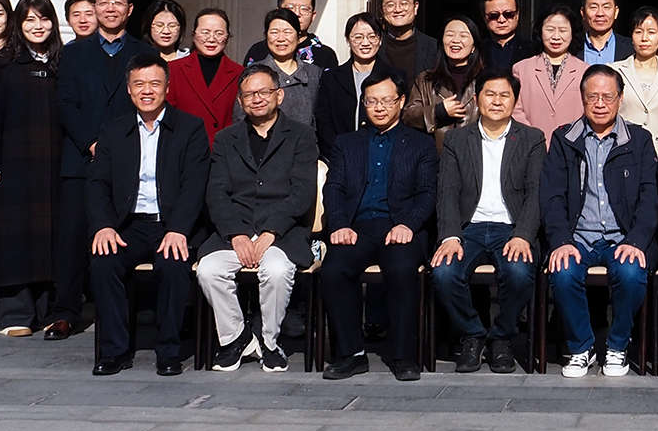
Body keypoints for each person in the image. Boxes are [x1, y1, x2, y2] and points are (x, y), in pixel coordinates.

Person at [87, 55, 210, 376]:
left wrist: (179, 229)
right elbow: (97, 184)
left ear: (167, 87)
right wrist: (103, 226)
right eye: (139, 84)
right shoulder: (113, 131)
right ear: (129, 89)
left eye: (155, 84)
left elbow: (195, 185)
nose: (147, 91)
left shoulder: (190, 128)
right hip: (128, 225)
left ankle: (168, 351)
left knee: (173, 266)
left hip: (171, 225)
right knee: (104, 264)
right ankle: (115, 351)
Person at [198, 65, 318, 373]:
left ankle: (269, 342)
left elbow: (302, 192)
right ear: (240, 101)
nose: (257, 99)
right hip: (235, 232)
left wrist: (271, 231)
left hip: (283, 233)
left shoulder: (302, 136)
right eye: (249, 94)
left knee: (276, 270)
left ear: (279, 95)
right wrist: (236, 234)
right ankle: (236, 338)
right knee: (209, 270)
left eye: (264, 92)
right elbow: (216, 193)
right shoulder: (226, 139)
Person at [320, 71, 437, 381]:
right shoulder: (346, 143)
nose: (379, 107)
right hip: (357, 227)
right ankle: (351, 354)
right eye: (372, 101)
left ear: (401, 101)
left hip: (400, 226)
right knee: (333, 270)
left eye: (386, 100)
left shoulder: (421, 143)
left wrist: (408, 224)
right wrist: (339, 224)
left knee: (401, 269)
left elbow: (428, 192)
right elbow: (334, 188)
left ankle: (403, 355)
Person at [543, 66, 658, 378]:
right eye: (592, 96)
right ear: (582, 98)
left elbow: (650, 197)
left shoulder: (639, 140)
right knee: (563, 273)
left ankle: (618, 345)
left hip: (623, 236)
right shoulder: (564, 138)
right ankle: (582, 346)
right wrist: (561, 240)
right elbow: (552, 197)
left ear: (620, 98)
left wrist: (636, 241)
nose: (600, 103)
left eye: (608, 96)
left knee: (631, 273)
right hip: (577, 237)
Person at [55, 0, 154, 340]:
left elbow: (149, 102)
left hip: (131, 160)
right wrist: (92, 142)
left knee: (122, 239)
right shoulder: (73, 53)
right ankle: (65, 312)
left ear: (130, 9)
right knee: (72, 239)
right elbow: (66, 103)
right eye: (103, 2)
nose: (110, 8)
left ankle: (124, 311)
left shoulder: (145, 53)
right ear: (94, 8)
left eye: (118, 2)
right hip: (81, 159)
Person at [432, 69, 545, 374]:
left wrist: (523, 234)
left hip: (511, 229)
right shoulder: (457, 139)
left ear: (515, 101)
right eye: (490, 94)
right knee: (443, 273)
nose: (497, 101)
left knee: (519, 273)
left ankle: (501, 338)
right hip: (468, 228)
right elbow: (447, 192)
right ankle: (473, 334)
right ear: (476, 98)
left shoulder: (532, 139)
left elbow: (536, 193)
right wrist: (450, 236)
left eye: (504, 95)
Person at [0, 0, 67, 336]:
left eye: (44, 19)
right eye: (29, 20)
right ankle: (14, 313)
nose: (38, 26)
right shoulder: (5, 62)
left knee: (50, 238)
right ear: (19, 24)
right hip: (13, 165)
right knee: (14, 239)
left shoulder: (63, 60)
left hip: (55, 165)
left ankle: (46, 310)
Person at [316, 13, 400, 159]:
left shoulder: (395, 76)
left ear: (380, 39)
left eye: (372, 37)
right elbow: (324, 123)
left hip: (384, 156)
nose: (365, 42)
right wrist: (339, 154)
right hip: (340, 157)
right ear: (348, 40)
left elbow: (400, 119)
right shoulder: (331, 78)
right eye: (358, 37)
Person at [512, 5, 589, 138]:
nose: (556, 36)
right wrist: (532, 138)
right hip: (531, 142)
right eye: (550, 30)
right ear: (540, 31)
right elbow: (515, 109)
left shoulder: (585, 71)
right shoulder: (521, 69)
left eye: (563, 30)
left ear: (572, 33)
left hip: (572, 144)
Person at [168, 9, 242, 145]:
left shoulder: (239, 73)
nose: (211, 39)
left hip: (224, 149)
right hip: (185, 147)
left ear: (227, 37)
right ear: (194, 34)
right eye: (205, 32)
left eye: (219, 33)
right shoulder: (173, 69)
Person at [613, 7, 658, 149]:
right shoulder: (615, 71)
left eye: (651, 32)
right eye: (638, 32)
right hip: (623, 148)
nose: (644, 38)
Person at [406, 16, 481, 144]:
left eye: (463, 36)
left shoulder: (485, 80)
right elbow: (408, 116)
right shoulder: (425, 80)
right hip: (436, 152)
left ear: (474, 45)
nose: (455, 40)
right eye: (450, 35)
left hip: (474, 151)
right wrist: (438, 111)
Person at [244, 9, 320, 131]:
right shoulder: (253, 74)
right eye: (274, 32)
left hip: (305, 142)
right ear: (266, 36)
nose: (281, 38)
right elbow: (240, 117)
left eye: (287, 32)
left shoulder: (314, 74)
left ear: (298, 36)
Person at [240, 0, 340, 70]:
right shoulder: (259, 50)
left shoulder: (324, 55)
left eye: (304, 9)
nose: (297, 14)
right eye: (290, 8)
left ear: (313, 16)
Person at [377, 0, 441, 84]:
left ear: (415, 7)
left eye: (404, 4)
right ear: (381, 10)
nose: (398, 10)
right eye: (390, 5)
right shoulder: (373, 45)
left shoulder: (433, 47)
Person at [478, 0, 537, 72]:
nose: (501, 20)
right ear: (484, 17)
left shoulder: (533, 50)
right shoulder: (476, 51)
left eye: (508, 14)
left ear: (517, 14)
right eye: (494, 15)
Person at [577, 0, 633, 64]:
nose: (600, 13)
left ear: (616, 12)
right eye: (593, 7)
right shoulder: (572, 49)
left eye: (606, 7)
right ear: (583, 13)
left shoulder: (631, 48)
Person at [143, 0, 188, 64]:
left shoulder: (190, 59)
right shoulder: (139, 59)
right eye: (159, 25)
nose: (166, 31)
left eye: (172, 26)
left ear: (181, 29)